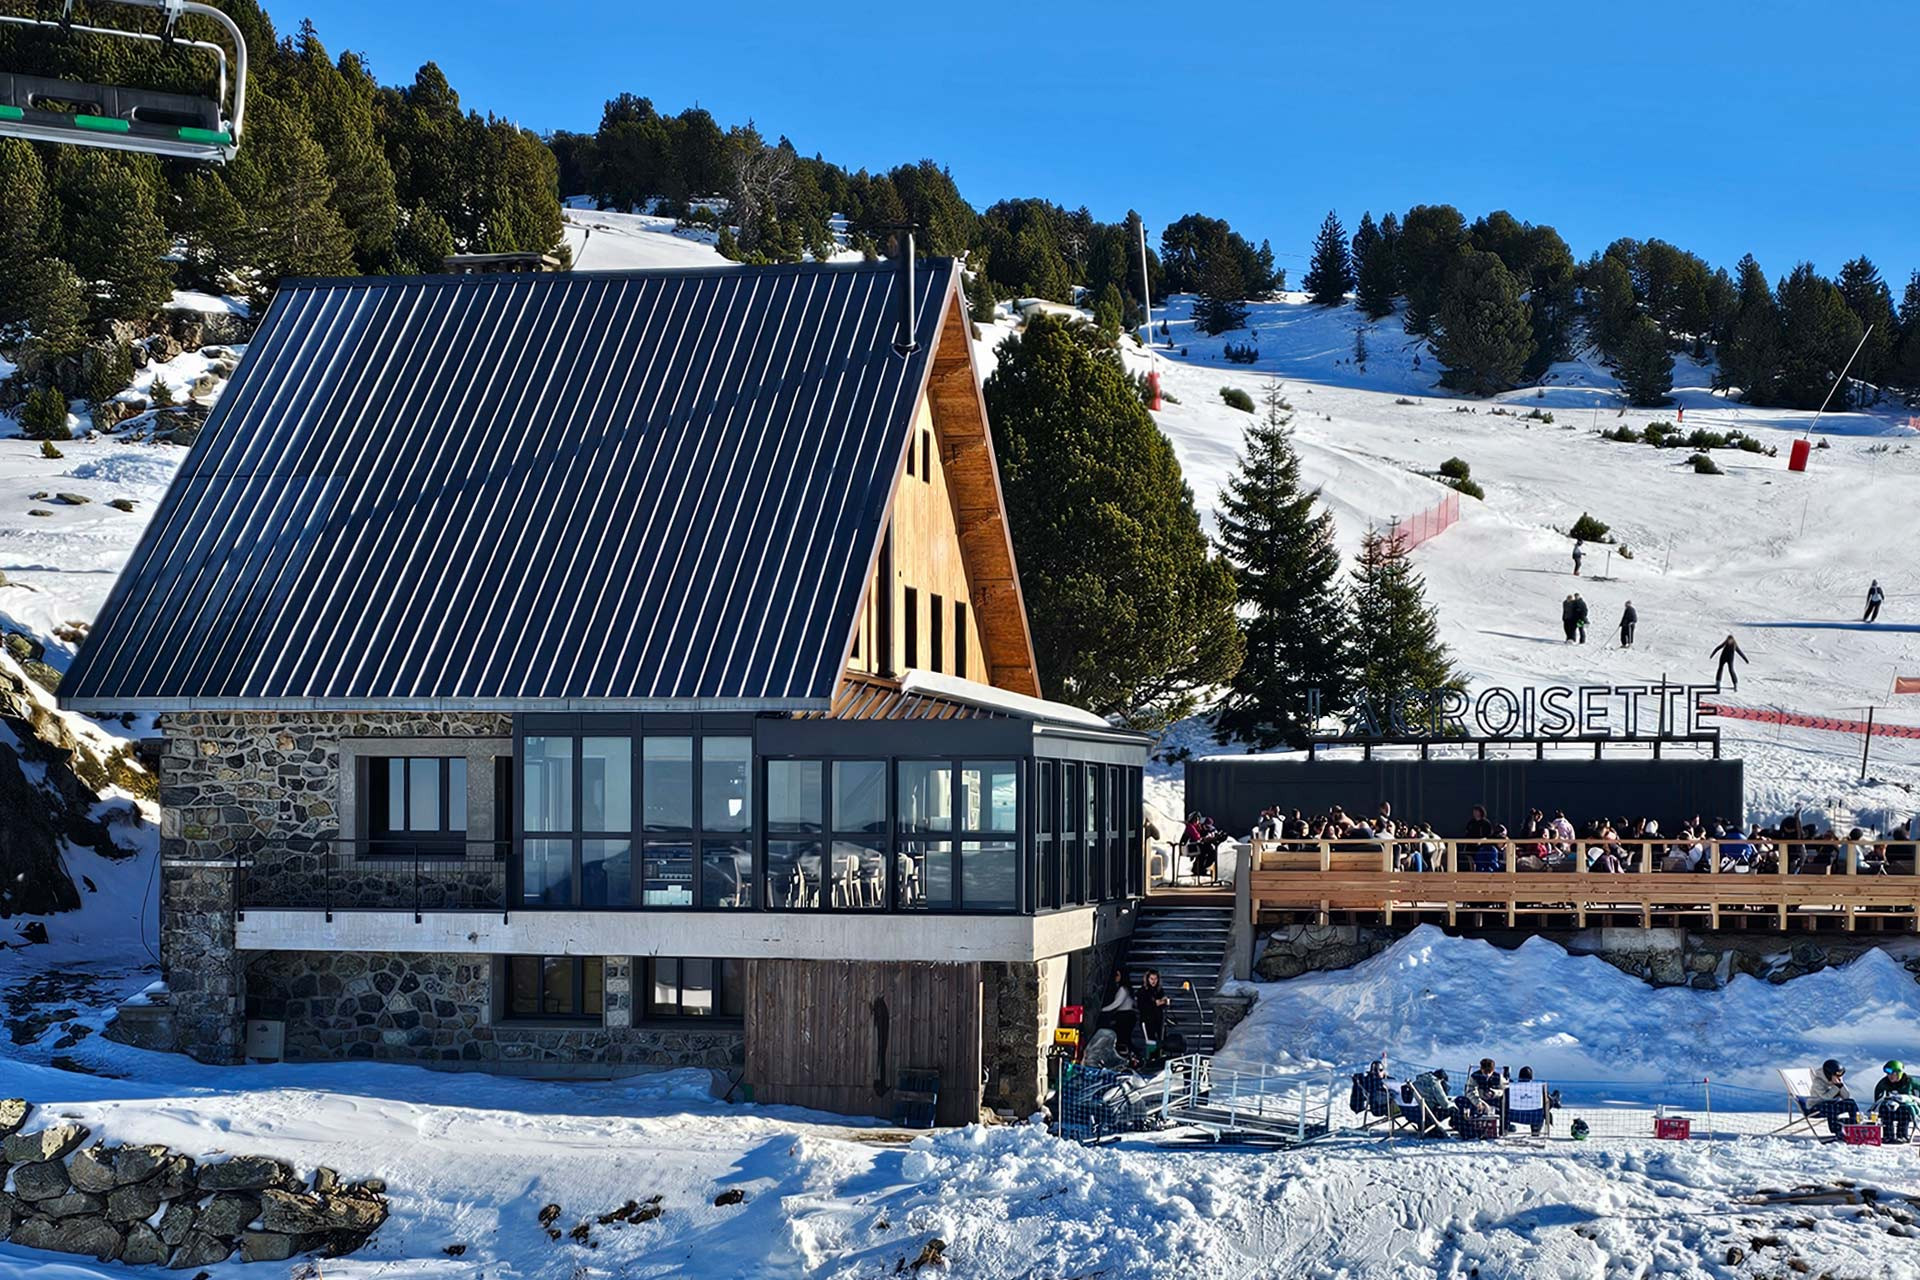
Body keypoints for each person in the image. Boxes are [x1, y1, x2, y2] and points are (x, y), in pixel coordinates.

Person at [1809, 1058, 1860, 1137]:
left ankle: (1855, 1126)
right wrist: (1836, 1087)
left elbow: (1846, 1096)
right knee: (1830, 1106)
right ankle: (1836, 1130)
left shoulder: (1836, 1079)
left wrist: (1840, 1085)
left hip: (1831, 1104)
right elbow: (1825, 1098)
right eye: (1837, 1074)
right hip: (1816, 1107)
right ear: (1829, 1074)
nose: (1839, 1076)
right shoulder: (1818, 1082)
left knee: (1851, 1103)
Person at [1874, 1061, 1918, 1143]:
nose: (1889, 1076)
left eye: (1892, 1074)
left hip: (1907, 1109)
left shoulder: (1909, 1081)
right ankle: (1888, 1135)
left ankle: (1902, 1135)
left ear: (1899, 1073)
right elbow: (1878, 1097)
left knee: (1904, 1110)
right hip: (1891, 1110)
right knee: (1885, 1108)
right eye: (1888, 1074)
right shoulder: (1884, 1083)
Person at [1100, 968, 1136, 1056]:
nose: (1115, 978)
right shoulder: (1125, 988)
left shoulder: (1123, 989)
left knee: (1123, 1039)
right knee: (1125, 1039)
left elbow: (1116, 1004)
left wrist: (1102, 1010)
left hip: (1125, 1017)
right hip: (1127, 1016)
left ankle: (1129, 1055)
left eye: (1117, 975)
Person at [1409, 1068, 1455, 1137]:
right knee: (1453, 1109)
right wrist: (1452, 1103)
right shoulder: (1434, 1083)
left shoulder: (1418, 1081)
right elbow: (1445, 1104)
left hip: (1417, 1112)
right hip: (1430, 1113)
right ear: (1441, 1079)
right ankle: (1455, 1127)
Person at [1137, 970, 1170, 1048]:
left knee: (1162, 1039)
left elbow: (1162, 1003)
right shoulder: (1143, 991)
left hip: (1158, 1019)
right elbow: (1143, 1006)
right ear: (1147, 979)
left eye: (1155, 979)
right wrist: (1157, 1002)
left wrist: (1164, 1002)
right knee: (1150, 1041)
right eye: (1151, 979)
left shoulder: (1159, 990)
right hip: (1147, 1020)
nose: (1153, 981)